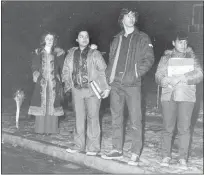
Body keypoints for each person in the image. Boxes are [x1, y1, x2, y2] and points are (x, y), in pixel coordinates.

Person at [102, 8, 154, 166]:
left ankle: (135, 152)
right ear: (121, 19)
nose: (131, 19)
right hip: (116, 84)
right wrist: (108, 82)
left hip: (132, 84)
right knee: (116, 118)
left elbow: (149, 59)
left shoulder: (142, 37)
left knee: (135, 118)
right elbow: (111, 61)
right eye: (128, 16)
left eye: (133, 16)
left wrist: (135, 74)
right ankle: (117, 149)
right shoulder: (116, 39)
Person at [155, 31, 203, 169]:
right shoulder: (166, 57)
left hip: (186, 97)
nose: (183, 45)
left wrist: (184, 78)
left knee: (184, 128)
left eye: (185, 42)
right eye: (180, 42)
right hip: (169, 96)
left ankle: (183, 158)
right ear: (173, 43)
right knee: (167, 127)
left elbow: (200, 74)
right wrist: (163, 80)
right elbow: (158, 74)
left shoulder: (191, 56)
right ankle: (166, 155)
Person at [62, 29, 110, 156]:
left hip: (92, 90)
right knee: (79, 118)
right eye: (81, 36)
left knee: (93, 117)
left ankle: (93, 148)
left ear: (89, 39)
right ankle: (79, 146)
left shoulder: (95, 53)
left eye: (86, 36)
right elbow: (66, 70)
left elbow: (103, 71)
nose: (84, 38)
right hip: (77, 90)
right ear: (77, 39)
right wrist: (68, 86)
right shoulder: (71, 54)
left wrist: (105, 88)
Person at [28, 32, 65, 134]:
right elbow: (34, 66)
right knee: (42, 103)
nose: (49, 41)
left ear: (54, 41)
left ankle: (51, 129)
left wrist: (59, 78)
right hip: (42, 83)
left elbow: (62, 66)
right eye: (47, 38)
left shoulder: (57, 54)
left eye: (51, 39)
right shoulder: (38, 53)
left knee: (52, 104)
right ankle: (41, 129)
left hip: (54, 83)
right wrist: (37, 76)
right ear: (44, 40)